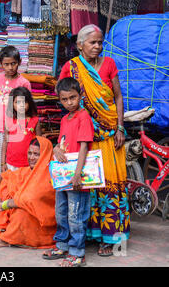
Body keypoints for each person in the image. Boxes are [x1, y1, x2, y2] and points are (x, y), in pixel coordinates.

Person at [59, 24, 129, 257]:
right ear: (80, 45)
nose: (98, 46)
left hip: (110, 137)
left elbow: (118, 97)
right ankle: (89, 235)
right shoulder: (71, 68)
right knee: (88, 187)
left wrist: (120, 127)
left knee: (110, 187)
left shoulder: (109, 64)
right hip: (84, 139)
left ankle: (111, 238)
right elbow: (66, 103)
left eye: (100, 42)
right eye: (93, 42)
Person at [42, 77, 94, 267]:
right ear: (60, 99)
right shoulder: (65, 119)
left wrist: (78, 174)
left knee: (76, 214)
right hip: (63, 175)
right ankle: (62, 243)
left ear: (80, 95)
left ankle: (77, 251)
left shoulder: (83, 117)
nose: (69, 102)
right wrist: (56, 149)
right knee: (61, 212)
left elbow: (83, 147)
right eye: (64, 99)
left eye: (73, 97)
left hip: (75, 175)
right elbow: (63, 143)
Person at [0, 137, 57, 248]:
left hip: (40, 221)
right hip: (22, 207)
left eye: (36, 154)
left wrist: (4, 205)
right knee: (5, 187)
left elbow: (28, 200)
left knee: (21, 214)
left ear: (45, 155)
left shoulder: (49, 176)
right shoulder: (27, 171)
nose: (31, 157)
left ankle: (6, 239)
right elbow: (2, 176)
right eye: (30, 153)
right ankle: (7, 229)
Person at [0, 46, 31, 180]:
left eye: (13, 63)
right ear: (1, 64)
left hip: (14, 130)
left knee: (12, 162)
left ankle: (13, 191)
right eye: (6, 64)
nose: (10, 67)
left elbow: (27, 110)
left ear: (20, 61)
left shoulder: (23, 83)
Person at [1, 86, 42, 172]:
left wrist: (39, 163)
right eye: (17, 102)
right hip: (11, 163)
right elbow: (5, 141)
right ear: (12, 104)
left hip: (29, 164)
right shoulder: (9, 120)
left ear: (29, 103)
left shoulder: (35, 121)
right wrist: (2, 163)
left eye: (24, 102)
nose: (21, 105)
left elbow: (40, 144)